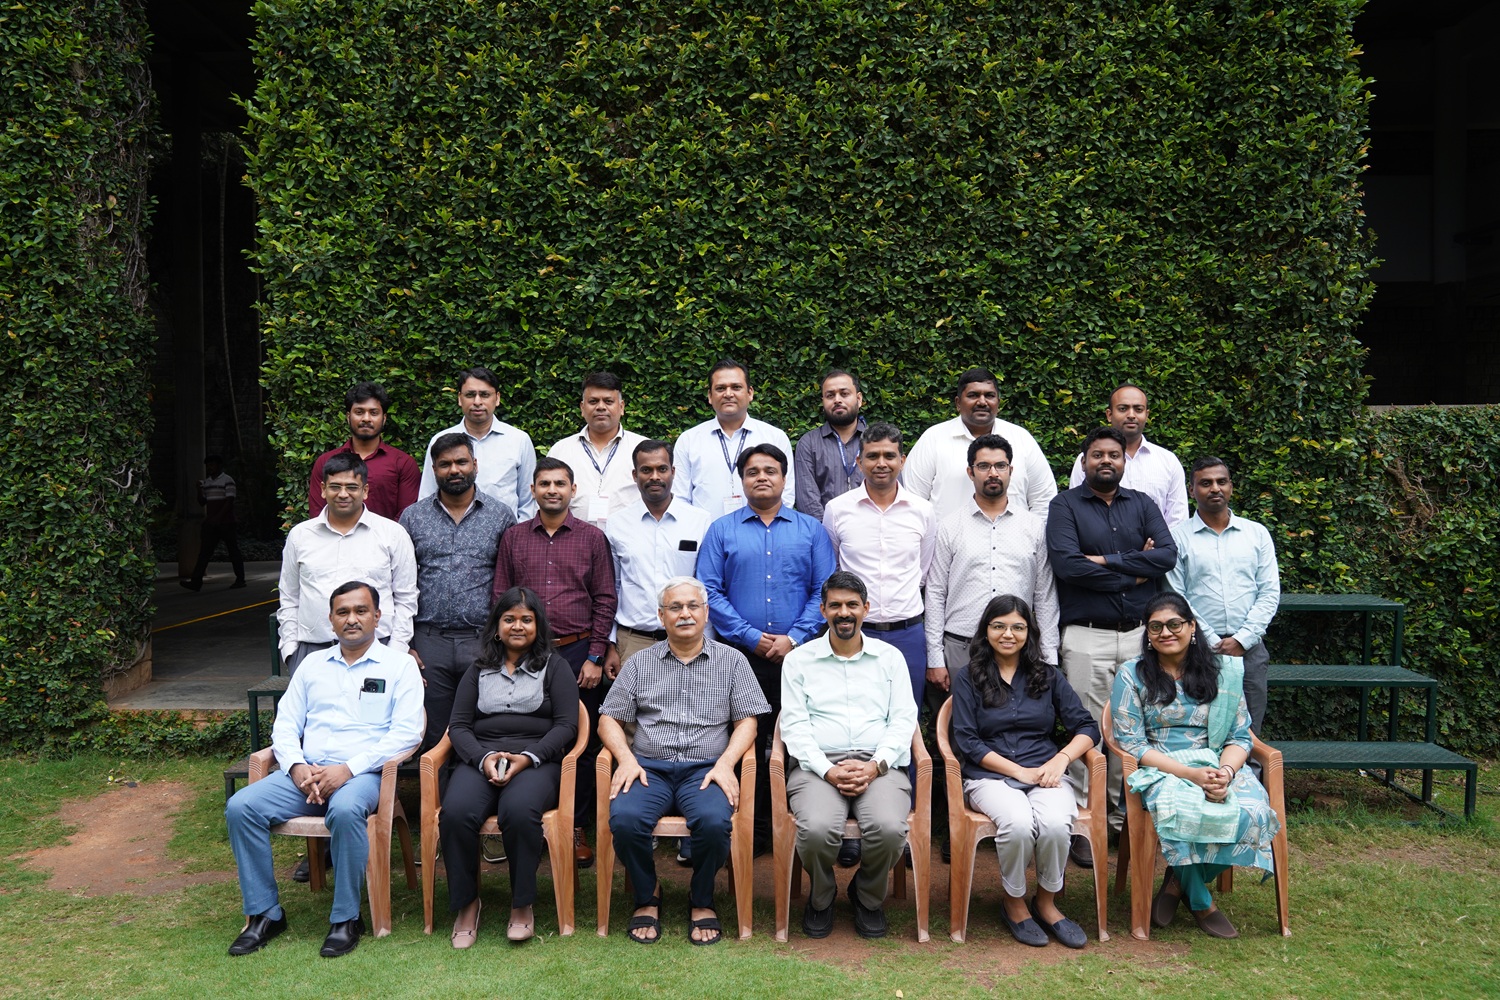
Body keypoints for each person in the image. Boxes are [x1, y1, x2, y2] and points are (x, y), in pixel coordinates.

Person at [224, 581, 423, 958]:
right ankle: (265, 913)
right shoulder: (312, 666)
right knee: (241, 807)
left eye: (361, 611)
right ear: (331, 620)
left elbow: (407, 734)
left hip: (362, 776)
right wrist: (296, 766)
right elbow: (285, 724)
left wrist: (347, 770)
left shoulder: (399, 666)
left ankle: (346, 918)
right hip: (305, 776)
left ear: (377, 616)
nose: (352, 619)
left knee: (346, 810)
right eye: (342, 612)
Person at [598, 576, 769, 945]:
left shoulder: (732, 661)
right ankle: (648, 894)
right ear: (662, 617)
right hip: (649, 769)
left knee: (713, 822)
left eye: (693, 606)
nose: (685, 614)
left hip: (706, 770)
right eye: (675, 607)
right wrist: (625, 759)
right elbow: (608, 718)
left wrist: (726, 763)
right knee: (625, 820)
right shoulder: (639, 663)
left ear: (706, 613)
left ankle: (701, 898)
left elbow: (748, 721)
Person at [1109, 592, 1282, 939]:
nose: (1165, 632)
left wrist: (1226, 774)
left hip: (1216, 761)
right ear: (1147, 634)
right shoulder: (1132, 674)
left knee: (1253, 810)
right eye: (1155, 627)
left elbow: (1239, 736)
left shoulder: (1223, 672)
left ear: (1191, 628)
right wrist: (1189, 774)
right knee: (1181, 807)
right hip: (1161, 766)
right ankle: (1201, 900)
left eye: (1174, 624)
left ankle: (1178, 881)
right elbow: (1133, 743)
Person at [1046, 426, 1176, 866]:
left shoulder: (1143, 504)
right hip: (1086, 635)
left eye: (1114, 455)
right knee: (1086, 728)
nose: (1106, 461)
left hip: (1139, 635)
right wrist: (1136, 571)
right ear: (1084, 461)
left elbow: (1167, 556)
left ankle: (1124, 819)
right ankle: (1085, 819)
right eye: (1097, 454)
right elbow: (1068, 566)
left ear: (1124, 461)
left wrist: (1104, 560)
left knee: (1132, 728)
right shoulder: (1064, 506)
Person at [697, 443, 836, 852]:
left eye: (770, 470)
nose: (762, 477)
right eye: (753, 471)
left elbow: (824, 589)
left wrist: (794, 638)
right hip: (740, 658)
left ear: (784, 478)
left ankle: (808, 824)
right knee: (747, 740)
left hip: (802, 656)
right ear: (742, 481)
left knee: (804, 736)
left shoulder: (811, 530)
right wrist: (750, 637)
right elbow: (709, 591)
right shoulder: (722, 530)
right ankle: (755, 829)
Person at [950, 595, 1099, 949]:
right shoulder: (968, 677)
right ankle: (1014, 902)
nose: (1008, 634)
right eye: (999, 626)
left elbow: (1087, 727)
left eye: (1018, 627)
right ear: (986, 631)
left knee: (1055, 823)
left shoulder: (1047, 676)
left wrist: (1061, 760)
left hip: (1045, 771)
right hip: (988, 777)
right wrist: (1019, 771)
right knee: (1017, 823)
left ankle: (1046, 902)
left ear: (1029, 632)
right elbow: (967, 741)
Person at [491, 456, 616, 868]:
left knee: (581, 740)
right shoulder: (514, 538)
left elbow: (605, 598)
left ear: (572, 490)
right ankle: (528, 820)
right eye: (544, 484)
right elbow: (500, 597)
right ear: (533, 490)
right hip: (527, 653)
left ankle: (575, 823)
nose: (552, 490)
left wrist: (595, 655)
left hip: (577, 651)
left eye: (560, 483)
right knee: (528, 733)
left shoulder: (592, 538)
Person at [780, 571, 918, 940]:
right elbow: (794, 727)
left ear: (866, 609)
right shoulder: (799, 661)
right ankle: (821, 896)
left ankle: (867, 896)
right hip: (817, 766)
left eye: (852, 605)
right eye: (836, 605)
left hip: (880, 765)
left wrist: (875, 766)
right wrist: (827, 770)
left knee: (889, 829)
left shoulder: (890, 658)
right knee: (816, 829)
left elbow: (903, 720)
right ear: (823, 610)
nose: (844, 612)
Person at [440, 588, 580, 947]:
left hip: (536, 762)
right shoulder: (478, 669)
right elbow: (458, 725)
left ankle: (521, 904)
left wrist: (528, 757)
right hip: (481, 759)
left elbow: (567, 725)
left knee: (519, 811)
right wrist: (483, 758)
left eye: (526, 619)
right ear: (497, 626)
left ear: (538, 625)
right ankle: (467, 904)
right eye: (509, 619)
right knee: (456, 812)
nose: (518, 626)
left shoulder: (556, 666)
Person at [399, 433, 516, 752]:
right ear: (434, 469)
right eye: (445, 464)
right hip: (428, 640)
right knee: (433, 728)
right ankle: (436, 786)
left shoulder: (500, 515)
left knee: (484, 723)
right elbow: (400, 583)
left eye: (461, 462)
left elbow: (509, 582)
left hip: (482, 639)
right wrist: (406, 643)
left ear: (475, 465)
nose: (454, 470)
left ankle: (479, 784)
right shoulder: (413, 517)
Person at [821, 422, 936, 706]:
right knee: (854, 713)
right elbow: (833, 570)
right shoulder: (837, 510)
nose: (881, 463)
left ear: (902, 461)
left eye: (889, 455)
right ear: (859, 462)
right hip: (854, 632)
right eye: (872, 456)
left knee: (906, 713)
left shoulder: (923, 511)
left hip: (908, 633)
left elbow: (922, 572)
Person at [1168, 457, 1281, 734]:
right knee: (1198, 728)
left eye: (1222, 482)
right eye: (1205, 483)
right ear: (1192, 490)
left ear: (1231, 486)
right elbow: (1176, 596)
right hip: (1196, 648)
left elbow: (1269, 591)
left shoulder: (1256, 534)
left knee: (1250, 730)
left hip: (1250, 649)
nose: (1215, 488)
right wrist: (1211, 641)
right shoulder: (1176, 537)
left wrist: (1243, 639)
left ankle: (1249, 766)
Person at [278, 453, 417, 673]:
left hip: (378, 650)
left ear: (365, 491)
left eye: (352, 487)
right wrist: (290, 650)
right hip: (313, 652)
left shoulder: (392, 534)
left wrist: (397, 650)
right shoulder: (300, 536)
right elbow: (289, 596)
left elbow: (406, 597)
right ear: (323, 489)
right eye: (335, 487)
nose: (343, 494)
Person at [604, 440, 715, 676]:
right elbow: (613, 587)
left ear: (673, 472)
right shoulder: (616, 524)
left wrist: (708, 639)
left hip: (689, 640)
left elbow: (707, 587)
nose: (654, 476)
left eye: (662, 469)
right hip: (634, 642)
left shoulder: (700, 521)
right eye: (646, 470)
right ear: (635, 475)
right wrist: (611, 643)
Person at [904, 367, 1057, 521]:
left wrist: (1031, 533)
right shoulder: (933, 439)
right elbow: (913, 501)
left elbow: (1044, 499)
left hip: (1015, 536)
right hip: (947, 536)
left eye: (989, 395)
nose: (982, 402)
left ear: (998, 402)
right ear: (958, 403)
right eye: (973, 395)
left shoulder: (1021, 439)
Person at [671, 358, 795, 513]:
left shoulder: (775, 437)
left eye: (736, 387)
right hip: (705, 528)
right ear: (710, 396)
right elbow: (680, 497)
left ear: (750, 393)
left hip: (763, 528)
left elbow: (786, 494)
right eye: (720, 388)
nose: (728, 394)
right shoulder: (689, 440)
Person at [419, 366, 537, 519]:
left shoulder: (519, 440)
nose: (477, 402)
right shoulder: (440, 440)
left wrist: (518, 533)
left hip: (506, 532)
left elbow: (528, 502)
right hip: (451, 531)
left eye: (484, 395)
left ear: (497, 398)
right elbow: (427, 497)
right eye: (470, 395)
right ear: (460, 398)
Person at [1067, 383, 1188, 527]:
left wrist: (1159, 541)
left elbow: (1178, 520)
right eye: (1123, 409)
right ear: (1109, 415)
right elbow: (1077, 509)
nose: (1131, 415)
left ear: (1146, 415)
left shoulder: (1168, 461)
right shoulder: (1089, 460)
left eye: (1138, 409)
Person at [545, 371, 647, 528]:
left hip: (630, 539)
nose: (601, 407)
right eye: (593, 401)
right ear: (582, 408)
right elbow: (544, 503)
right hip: (573, 540)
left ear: (621, 407)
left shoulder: (643, 449)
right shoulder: (561, 451)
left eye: (608, 401)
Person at [309, 381, 420, 520]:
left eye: (374, 413)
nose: (366, 419)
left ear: (384, 418)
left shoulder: (403, 464)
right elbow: (317, 516)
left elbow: (406, 517)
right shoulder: (325, 461)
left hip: (386, 535)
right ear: (348, 417)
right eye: (359, 412)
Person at [793, 369, 866, 521]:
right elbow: (808, 501)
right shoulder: (808, 444)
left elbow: (892, 490)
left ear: (859, 399)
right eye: (830, 395)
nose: (837, 400)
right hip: (824, 532)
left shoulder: (877, 441)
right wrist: (827, 531)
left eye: (844, 394)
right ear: (823, 401)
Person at [181, 454, 246, 591]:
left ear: (219, 466)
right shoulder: (207, 482)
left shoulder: (227, 480)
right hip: (212, 523)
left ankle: (240, 579)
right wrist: (199, 489)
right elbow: (202, 502)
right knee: (204, 552)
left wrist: (218, 518)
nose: (210, 468)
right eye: (208, 465)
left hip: (226, 522)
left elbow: (229, 501)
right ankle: (196, 581)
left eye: (212, 465)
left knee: (233, 551)